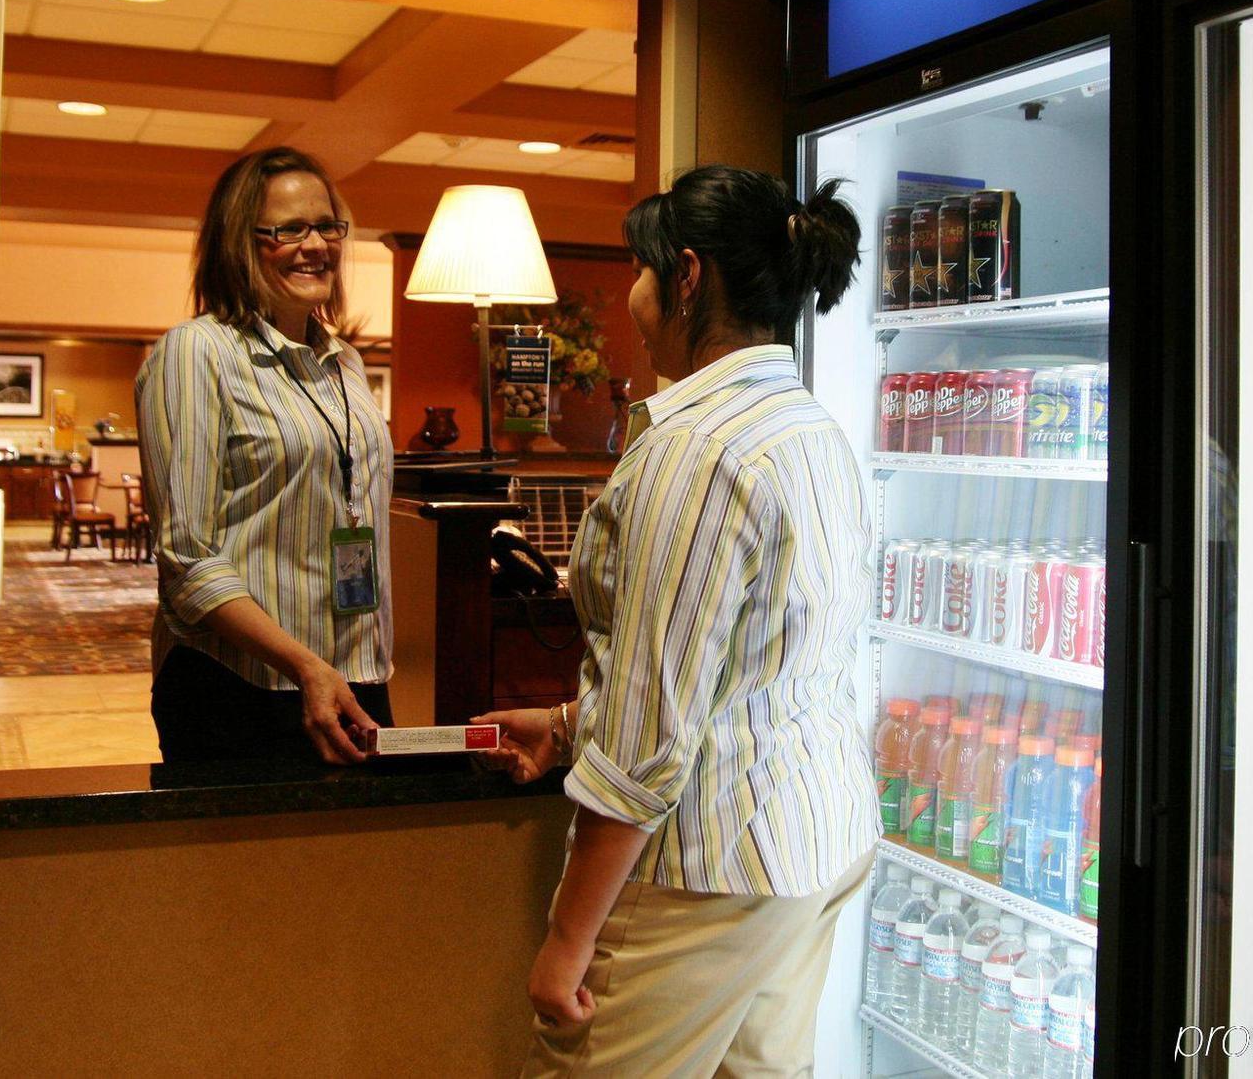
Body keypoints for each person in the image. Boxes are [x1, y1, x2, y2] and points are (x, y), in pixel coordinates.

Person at [477, 165, 879, 1076]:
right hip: (808, 849)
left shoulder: (694, 449)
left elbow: (655, 729)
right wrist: (573, 723)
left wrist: (569, 938)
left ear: (688, 276)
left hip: (704, 866)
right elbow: (748, 664)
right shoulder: (810, 429)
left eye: (641, 271)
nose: (634, 296)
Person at [136, 146, 394, 765]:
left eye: (327, 226)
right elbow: (188, 558)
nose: (316, 245)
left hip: (354, 678)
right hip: (240, 689)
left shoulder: (347, 363)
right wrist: (305, 666)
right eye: (289, 229)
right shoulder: (196, 355)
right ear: (240, 244)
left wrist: (345, 670)